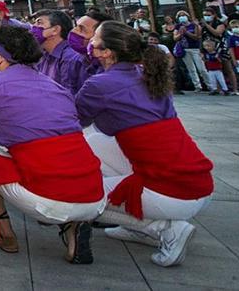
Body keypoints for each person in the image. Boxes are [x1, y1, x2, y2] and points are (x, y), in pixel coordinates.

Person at [76, 21, 214, 267]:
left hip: (173, 192)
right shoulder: (146, 74)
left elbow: (72, 121)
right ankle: (140, 225)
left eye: (94, 37)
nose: (89, 42)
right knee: (94, 142)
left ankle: (161, 229)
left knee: (80, 195)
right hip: (197, 181)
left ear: (106, 52)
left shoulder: (100, 85)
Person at [0, 25, 106, 263]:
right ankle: (73, 228)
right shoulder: (55, 86)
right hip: (94, 195)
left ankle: (3, 233)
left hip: (48, 198)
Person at [32, 10, 90, 95]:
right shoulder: (43, 56)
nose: (33, 27)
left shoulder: (70, 59)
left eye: (39, 23)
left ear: (55, 30)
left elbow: (68, 95)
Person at [172, 9, 207, 92]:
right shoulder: (178, 26)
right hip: (185, 50)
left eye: (183, 15)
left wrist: (186, 32)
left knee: (201, 68)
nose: (182, 17)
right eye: (180, 16)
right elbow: (175, 38)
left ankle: (210, 84)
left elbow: (197, 37)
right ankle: (197, 86)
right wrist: (180, 33)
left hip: (195, 49)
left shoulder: (194, 25)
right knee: (191, 69)